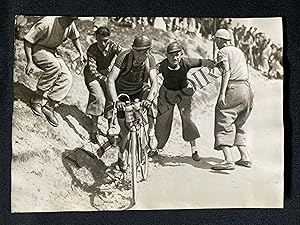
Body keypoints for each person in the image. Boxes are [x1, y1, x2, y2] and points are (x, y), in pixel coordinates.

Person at [153, 42, 214, 161]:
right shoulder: (163, 65)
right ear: (167, 55)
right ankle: (156, 148)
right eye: (171, 55)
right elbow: (151, 72)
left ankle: (194, 150)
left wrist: (214, 64)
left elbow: (203, 62)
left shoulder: (186, 62)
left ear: (181, 54)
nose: (175, 58)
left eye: (177, 55)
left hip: (183, 93)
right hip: (166, 94)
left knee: (186, 118)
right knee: (162, 120)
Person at [106, 35, 158, 172]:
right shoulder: (123, 57)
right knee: (125, 131)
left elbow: (155, 83)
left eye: (145, 51)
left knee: (152, 101)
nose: (141, 55)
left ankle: (151, 133)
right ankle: (121, 154)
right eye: (138, 51)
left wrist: (149, 100)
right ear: (133, 50)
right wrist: (116, 101)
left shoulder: (150, 59)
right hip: (122, 94)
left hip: (139, 92)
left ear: (149, 50)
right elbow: (110, 80)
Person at [24, 16, 85, 127]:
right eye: (70, 18)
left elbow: (75, 37)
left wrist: (81, 53)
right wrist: (30, 62)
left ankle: (49, 107)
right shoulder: (47, 22)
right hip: (38, 48)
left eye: (73, 19)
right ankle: (37, 99)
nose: (71, 21)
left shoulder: (69, 23)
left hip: (52, 51)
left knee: (67, 77)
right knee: (55, 66)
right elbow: (28, 40)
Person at [211, 29, 254, 170]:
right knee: (240, 122)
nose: (215, 43)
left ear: (220, 40)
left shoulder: (222, 52)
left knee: (223, 118)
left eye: (215, 40)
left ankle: (228, 160)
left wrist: (222, 93)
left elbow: (227, 72)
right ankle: (245, 157)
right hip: (247, 89)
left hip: (234, 88)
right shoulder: (239, 51)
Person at [83, 26, 123, 143]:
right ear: (96, 37)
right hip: (92, 75)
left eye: (106, 40)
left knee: (111, 97)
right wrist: (106, 79)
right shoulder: (92, 49)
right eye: (101, 40)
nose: (104, 43)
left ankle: (111, 130)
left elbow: (123, 54)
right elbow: (92, 70)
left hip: (105, 72)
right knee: (98, 97)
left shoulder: (112, 45)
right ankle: (94, 130)